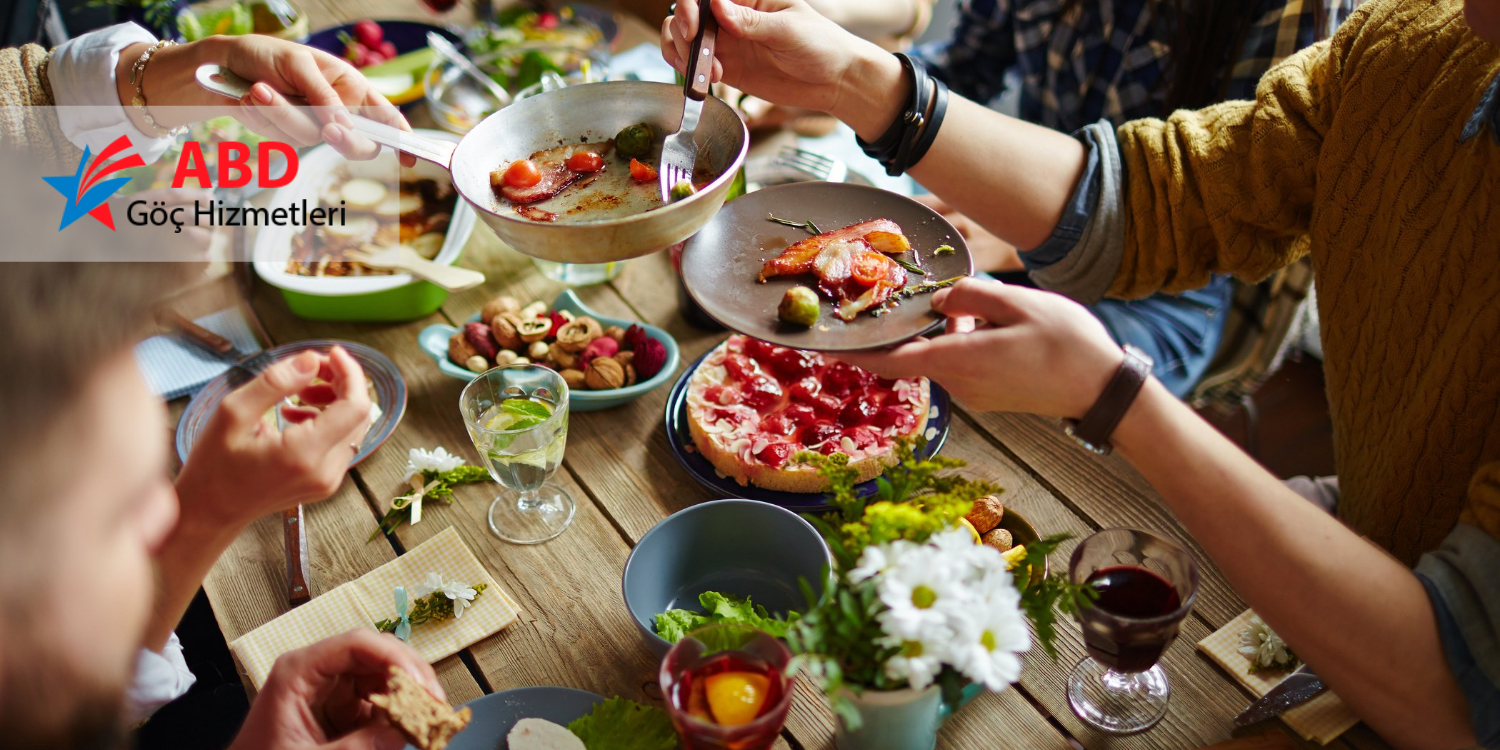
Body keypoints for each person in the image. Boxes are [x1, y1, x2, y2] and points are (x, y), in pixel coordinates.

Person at [662, 0, 1498, 745]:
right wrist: (853, 76)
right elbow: (1162, 196)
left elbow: (1462, 694)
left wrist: (1114, 399)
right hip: (1362, 537)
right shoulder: (1416, 36)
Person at [902, 0, 1351, 397]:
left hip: (1163, 296)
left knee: (976, 384)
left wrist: (1025, 232)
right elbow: (966, 64)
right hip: (1013, 227)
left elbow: (1242, 206)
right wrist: (884, 84)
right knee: (894, 327)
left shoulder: (1292, 9)